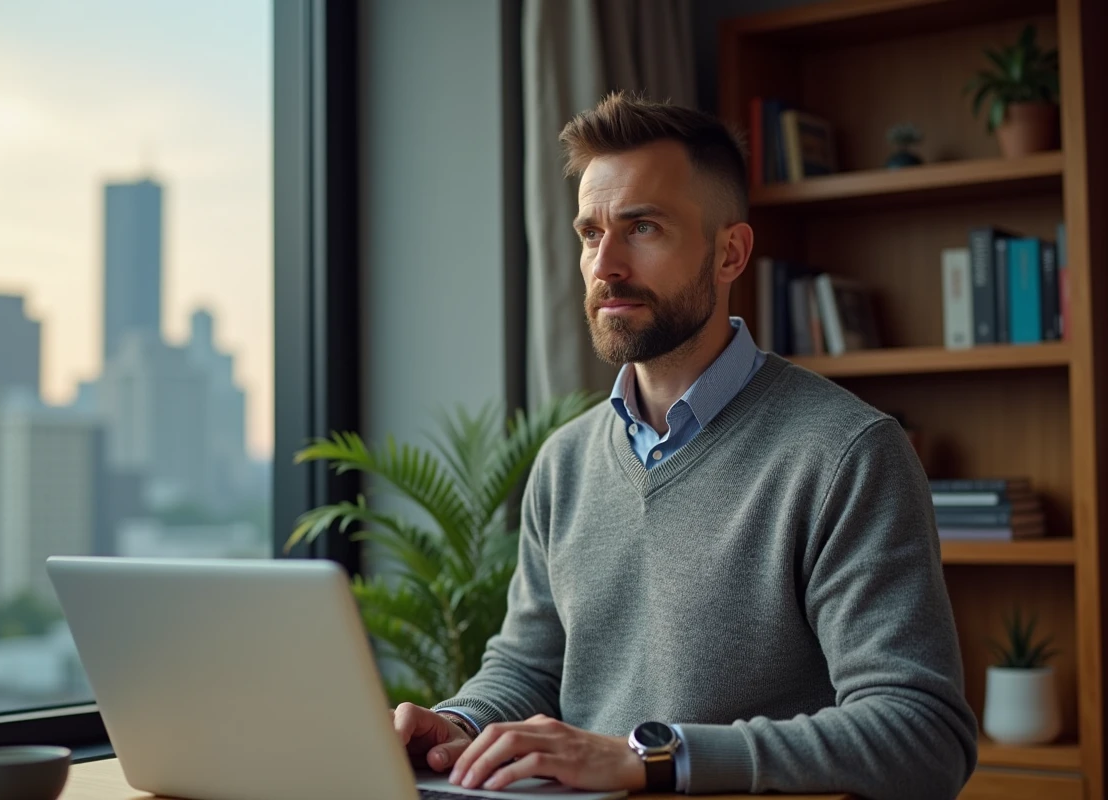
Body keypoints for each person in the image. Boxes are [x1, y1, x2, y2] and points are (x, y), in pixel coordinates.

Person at [391, 92, 978, 798]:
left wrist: (652, 758)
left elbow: (924, 735)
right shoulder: (565, 463)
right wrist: (457, 723)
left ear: (729, 252)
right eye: (589, 233)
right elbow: (528, 667)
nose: (605, 264)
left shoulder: (846, 454)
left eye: (642, 228)